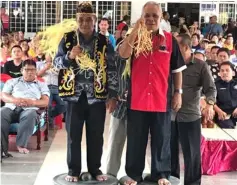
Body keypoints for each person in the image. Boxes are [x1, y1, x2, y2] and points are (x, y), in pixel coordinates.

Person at [118, 2, 186, 185]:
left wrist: (178, 93)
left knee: (162, 139)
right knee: (135, 140)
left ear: (161, 17)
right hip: (137, 100)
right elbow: (123, 54)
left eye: (154, 16)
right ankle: (133, 175)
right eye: (147, 15)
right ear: (141, 17)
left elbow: (177, 69)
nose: (150, 19)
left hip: (161, 99)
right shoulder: (135, 38)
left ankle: (161, 175)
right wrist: (135, 31)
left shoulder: (170, 40)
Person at [54, 2, 118, 182]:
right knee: (73, 136)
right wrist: (69, 57)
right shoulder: (67, 39)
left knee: (96, 135)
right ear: (77, 20)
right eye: (81, 20)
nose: (84, 23)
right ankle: (73, 171)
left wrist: (112, 95)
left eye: (88, 19)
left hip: (97, 97)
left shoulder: (105, 41)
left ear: (95, 20)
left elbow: (112, 69)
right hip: (73, 97)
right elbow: (56, 63)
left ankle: (95, 169)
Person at [171, 34, 216, 185]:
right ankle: (172, 180)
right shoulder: (170, 63)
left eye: (175, 46)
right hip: (169, 115)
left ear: (185, 47)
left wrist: (209, 104)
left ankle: (193, 183)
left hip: (190, 116)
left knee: (192, 154)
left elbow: (211, 89)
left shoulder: (200, 65)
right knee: (169, 152)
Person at [1, 59, 50, 155]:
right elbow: (4, 96)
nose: (30, 72)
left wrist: (32, 102)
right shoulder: (12, 81)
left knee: (31, 114)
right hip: (12, 107)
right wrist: (16, 100)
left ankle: (21, 145)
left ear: (36, 70)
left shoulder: (42, 84)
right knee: (1, 113)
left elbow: (45, 101)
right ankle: (2, 148)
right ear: (21, 70)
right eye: (27, 70)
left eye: (32, 70)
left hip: (29, 108)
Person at [36, 54, 66, 129]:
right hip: (45, 88)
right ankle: (49, 123)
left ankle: (50, 117)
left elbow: (64, 75)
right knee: (48, 105)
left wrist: (56, 70)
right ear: (45, 54)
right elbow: (37, 75)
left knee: (65, 104)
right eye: (48, 53)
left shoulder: (59, 63)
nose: (50, 55)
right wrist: (45, 68)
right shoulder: (39, 64)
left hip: (57, 87)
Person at [214, 61, 237, 128]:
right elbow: (211, 101)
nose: (224, 72)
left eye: (227, 70)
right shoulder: (215, 85)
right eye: (222, 70)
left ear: (233, 73)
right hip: (224, 114)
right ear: (219, 73)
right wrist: (219, 111)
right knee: (229, 128)